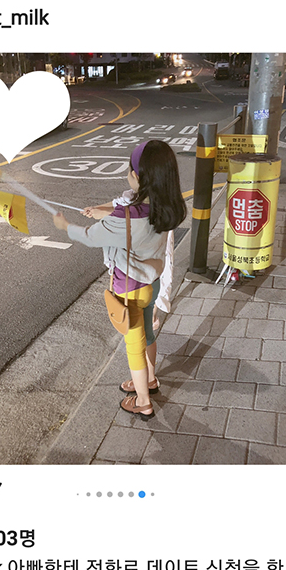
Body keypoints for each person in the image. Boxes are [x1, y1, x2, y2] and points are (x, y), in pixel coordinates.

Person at [54, 140, 187, 418]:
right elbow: (124, 214)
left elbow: (91, 236)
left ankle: (143, 401)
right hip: (152, 283)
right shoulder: (167, 208)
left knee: (134, 346)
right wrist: (103, 211)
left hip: (130, 288)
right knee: (148, 333)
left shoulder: (126, 218)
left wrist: (65, 226)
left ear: (138, 177)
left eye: (130, 170)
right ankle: (150, 379)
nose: (128, 174)